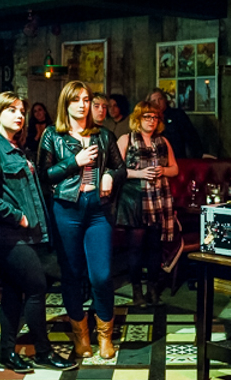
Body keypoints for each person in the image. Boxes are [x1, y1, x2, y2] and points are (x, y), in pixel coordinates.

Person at [0, 92, 77, 373]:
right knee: (36, 287)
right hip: (7, 236)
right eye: (11, 110)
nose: (19, 115)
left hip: (23, 235)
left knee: (12, 291)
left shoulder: (14, 147)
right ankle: (43, 352)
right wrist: (18, 217)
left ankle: (7, 353)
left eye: (21, 110)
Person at [38, 81, 126, 360]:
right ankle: (81, 335)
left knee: (101, 275)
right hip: (67, 210)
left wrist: (111, 176)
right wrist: (74, 161)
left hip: (98, 211)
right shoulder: (53, 135)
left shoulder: (103, 135)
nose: (82, 104)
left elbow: (120, 167)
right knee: (72, 275)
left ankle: (105, 335)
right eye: (75, 99)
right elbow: (44, 175)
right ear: (66, 104)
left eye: (86, 99)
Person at [116, 101, 179, 306]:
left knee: (155, 246)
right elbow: (116, 170)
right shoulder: (127, 139)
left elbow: (175, 169)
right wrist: (139, 173)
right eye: (147, 117)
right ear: (138, 119)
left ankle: (153, 290)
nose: (151, 121)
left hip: (158, 199)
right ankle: (137, 292)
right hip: (134, 199)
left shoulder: (163, 141)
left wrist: (163, 171)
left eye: (154, 117)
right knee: (135, 248)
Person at [148, 88, 203, 159]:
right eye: (154, 101)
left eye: (160, 99)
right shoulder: (148, 119)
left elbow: (191, 136)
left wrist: (199, 154)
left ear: (165, 99)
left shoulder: (177, 115)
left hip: (177, 157)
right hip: (155, 159)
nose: (157, 103)